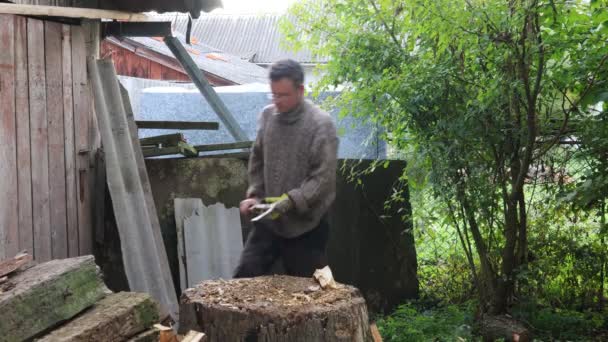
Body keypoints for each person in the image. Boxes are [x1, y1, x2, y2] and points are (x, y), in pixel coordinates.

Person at [234, 59, 339, 278]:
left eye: (283, 95)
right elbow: (257, 159)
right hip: (270, 221)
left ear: (300, 90)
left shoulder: (320, 124)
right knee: (243, 279)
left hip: (307, 226)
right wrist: (255, 195)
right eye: (273, 94)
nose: (277, 101)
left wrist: (292, 200)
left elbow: (323, 178)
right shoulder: (267, 116)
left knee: (311, 294)